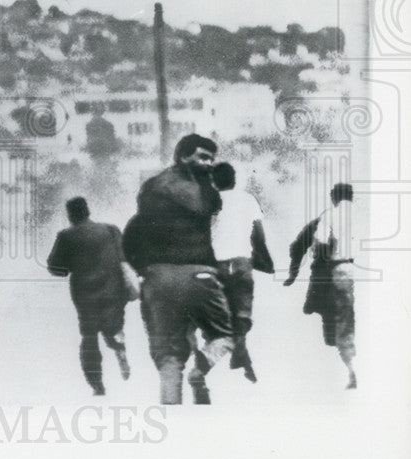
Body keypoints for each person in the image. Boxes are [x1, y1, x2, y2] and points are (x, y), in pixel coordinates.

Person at [123, 134, 233, 404]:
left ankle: (171, 419)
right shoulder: (204, 193)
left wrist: (142, 271)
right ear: (184, 156)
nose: (208, 163)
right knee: (224, 336)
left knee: (169, 359)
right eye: (203, 157)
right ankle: (201, 368)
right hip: (200, 277)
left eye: (211, 158)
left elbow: (133, 234)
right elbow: (217, 223)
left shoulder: (151, 192)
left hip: (158, 280)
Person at [47, 197, 131, 396]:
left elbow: (55, 267)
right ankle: (119, 346)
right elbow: (124, 257)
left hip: (85, 295)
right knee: (113, 326)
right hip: (113, 291)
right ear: (88, 211)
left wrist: (69, 267)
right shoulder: (111, 230)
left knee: (89, 338)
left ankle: (97, 385)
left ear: (70, 215)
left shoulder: (66, 236)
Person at [284, 183, 357, 389]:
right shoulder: (363, 215)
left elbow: (302, 245)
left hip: (333, 272)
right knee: (344, 320)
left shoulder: (328, 215)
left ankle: (345, 368)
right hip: (354, 271)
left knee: (332, 323)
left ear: (333, 198)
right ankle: (350, 367)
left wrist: (294, 273)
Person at [210, 162, 274, 383]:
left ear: (214, 181)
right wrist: (265, 259)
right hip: (241, 263)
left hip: (216, 266)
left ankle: (237, 354)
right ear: (234, 180)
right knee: (242, 312)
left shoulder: (210, 201)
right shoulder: (248, 200)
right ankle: (241, 354)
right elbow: (258, 235)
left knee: (222, 316)